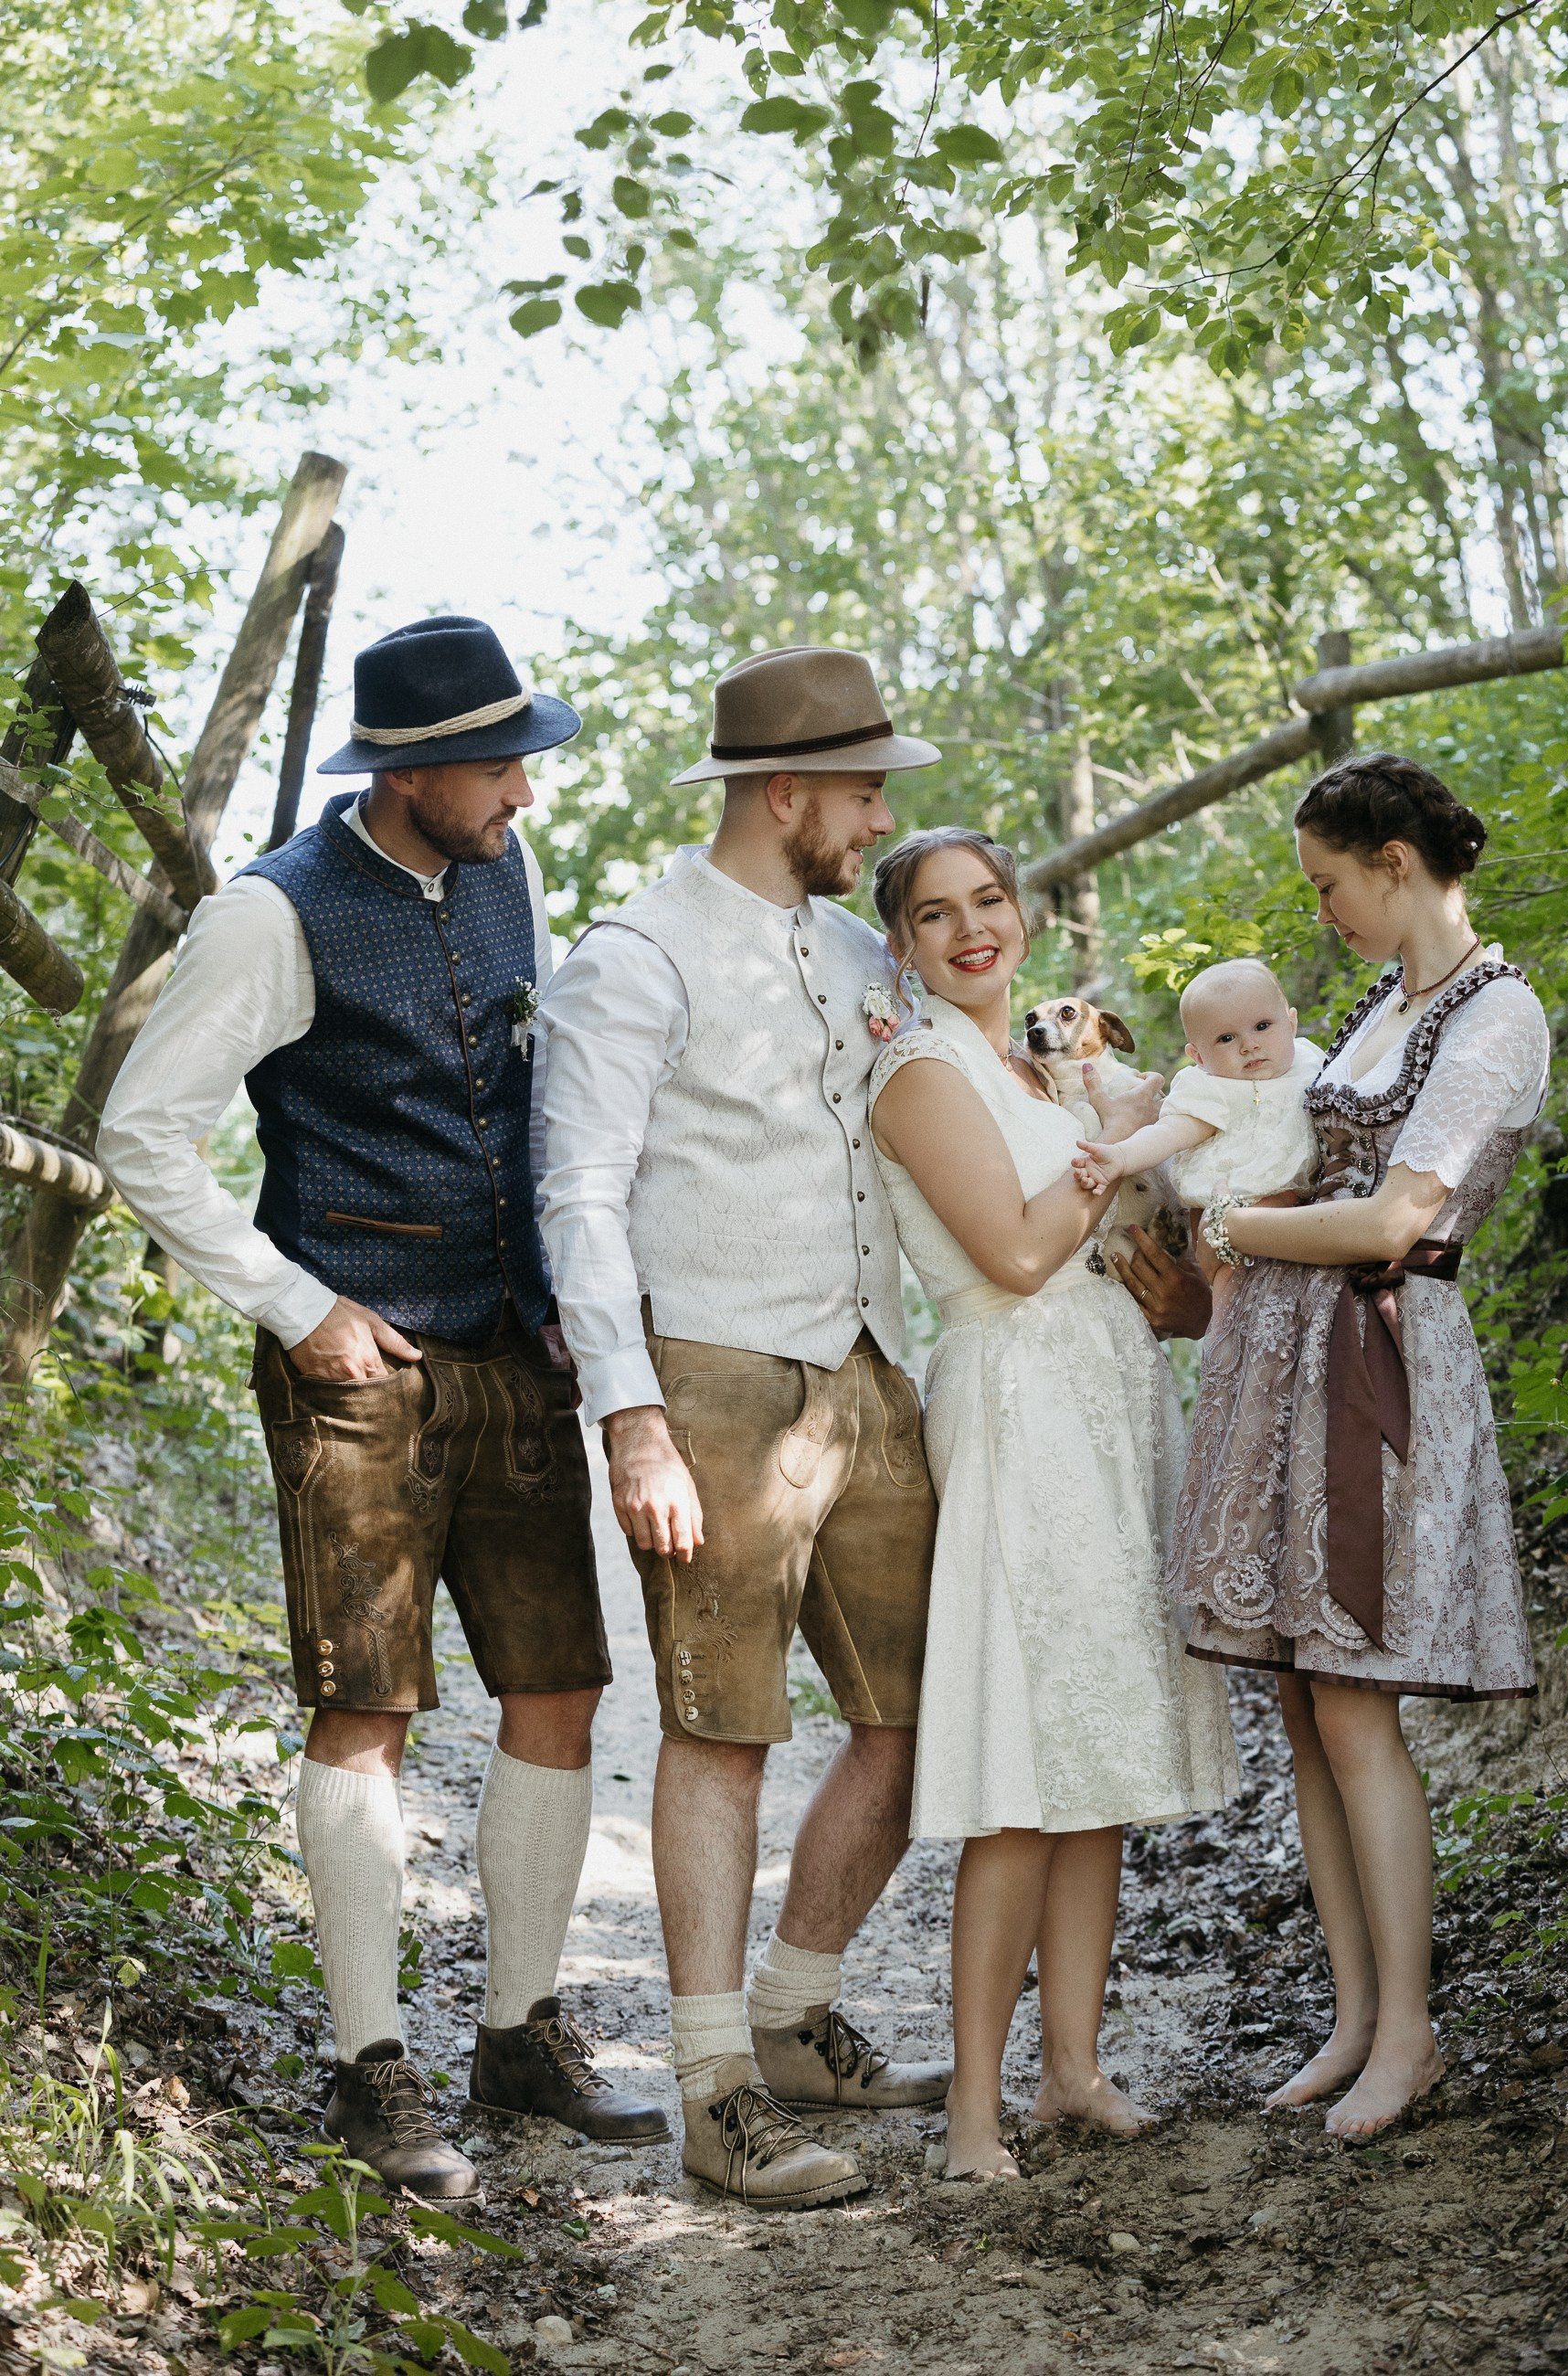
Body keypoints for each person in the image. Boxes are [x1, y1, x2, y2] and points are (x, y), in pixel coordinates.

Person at [99, 616, 665, 2200]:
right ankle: (370, 2067)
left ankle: (516, 2036)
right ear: (409, 772)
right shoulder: (270, 917)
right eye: (500, 767)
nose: (523, 799)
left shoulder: (500, 870)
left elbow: (534, 1093)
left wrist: (572, 1304)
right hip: (359, 1369)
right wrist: (301, 1309)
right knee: (368, 1711)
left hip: (513, 1342)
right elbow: (147, 1134)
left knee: (559, 1687)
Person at [538, 646, 955, 2209]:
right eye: (861, 792)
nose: (876, 817)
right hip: (708, 1376)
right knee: (723, 1729)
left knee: (914, 1721)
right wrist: (629, 1416)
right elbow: (576, 1193)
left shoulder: (857, 954)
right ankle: (714, 2086)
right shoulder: (633, 955)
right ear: (787, 794)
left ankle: (791, 2017)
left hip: (864, 1375)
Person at [1171, 751, 1548, 2138]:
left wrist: (1231, 1232)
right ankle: (1351, 2015)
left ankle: (1410, 2033)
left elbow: (1395, 1223)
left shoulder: (1493, 1017)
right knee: (1298, 1698)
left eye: (1329, 881)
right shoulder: (1382, 1009)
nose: (1319, 909)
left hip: (1378, 1363)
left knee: (1351, 1702)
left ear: (1395, 860)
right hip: (1290, 1365)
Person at [868, 827, 1241, 2181]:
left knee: (1097, 1761)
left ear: (1018, 914)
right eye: (933, 915)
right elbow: (1021, 1252)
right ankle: (974, 2111)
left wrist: (1178, 1290)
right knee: (1023, 1768)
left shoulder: (1046, 1062)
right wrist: (1112, 1135)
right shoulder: (917, 1071)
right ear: (901, 943)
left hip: (1108, 1387)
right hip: (1017, 1396)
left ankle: (1071, 2072)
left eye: (987, 902)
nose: (972, 930)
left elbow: (1157, 1276)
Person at [1072, 957, 1323, 1308]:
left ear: (1292, 1023)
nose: (1248, 1045)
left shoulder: (1313, 1062)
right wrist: (1122, 1156)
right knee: (1248, 1307)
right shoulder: (1211, 1088)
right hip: (1239, 1217)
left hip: (1316, 1209)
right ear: (1198, 1055)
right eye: (1226, 1038)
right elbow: (1170, 1132)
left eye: (1263, 1026)